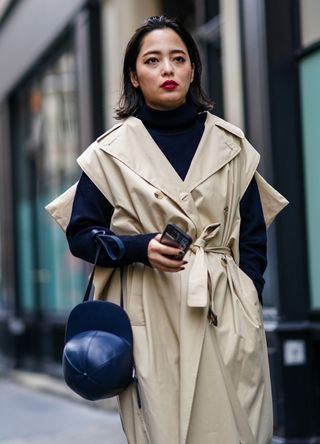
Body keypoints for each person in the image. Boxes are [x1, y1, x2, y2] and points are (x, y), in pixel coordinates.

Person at [46, 15, 288, 444]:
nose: (168, 69)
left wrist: (247, 295)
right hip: (149, 312)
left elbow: (252, 233)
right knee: (164, 430)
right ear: (134, 77)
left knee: (242, 429)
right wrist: (141, 248)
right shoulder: (110, 153)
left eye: (178, 58)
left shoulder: (231, 145)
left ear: (193, 68)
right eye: (153, 60)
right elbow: (82, 234)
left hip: (224, 307)